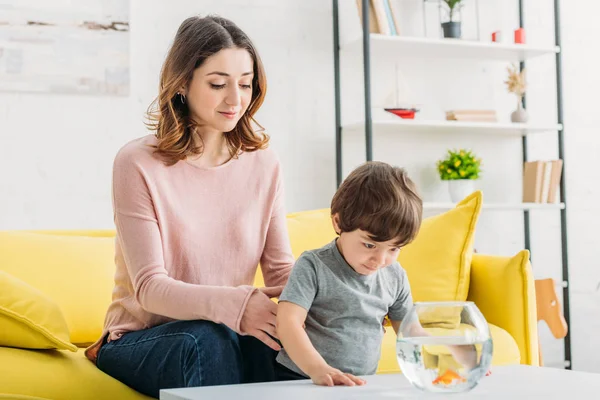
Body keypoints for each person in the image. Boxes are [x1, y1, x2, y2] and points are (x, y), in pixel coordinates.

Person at [84, 15, 295, 398]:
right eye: (218, 84)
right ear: (182, 83)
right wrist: (235, 305)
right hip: (146, 338)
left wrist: (342, 296)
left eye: (245, 84)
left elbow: (281, 271)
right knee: (206, 337)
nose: (236, 100)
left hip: (224, 331)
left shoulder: (265, 164)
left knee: (284, 341)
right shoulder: (137, 162)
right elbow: (150, 288)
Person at [275, 161, 477, 386]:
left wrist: (451, 358)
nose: (380, 261)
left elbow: (411, 332)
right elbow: (288, 322)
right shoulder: (313, 265)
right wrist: (318, 369)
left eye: (394, 249)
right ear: (338, 222)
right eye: (370, 245)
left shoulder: (395, 276)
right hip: (300, 377)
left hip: (359, 382)